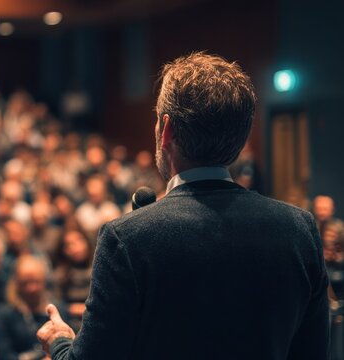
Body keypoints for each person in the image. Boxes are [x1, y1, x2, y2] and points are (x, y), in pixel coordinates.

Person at [37, 52, 329, 359]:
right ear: (242, 137)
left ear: (167, 131)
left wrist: (59, 340)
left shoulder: (127, 238)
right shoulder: (299, 229)